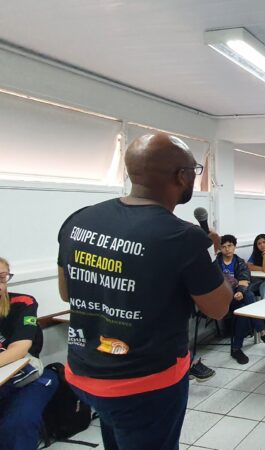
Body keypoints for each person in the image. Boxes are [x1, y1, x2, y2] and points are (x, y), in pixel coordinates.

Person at [56, 133, 231, 449]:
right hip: (144, 383)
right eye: (195, 170)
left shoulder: (78, 220)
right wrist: (210, 256)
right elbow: (218, 307)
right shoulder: (185, 237)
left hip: (83, 372)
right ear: (181, 176)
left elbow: (66, 293)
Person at [0, 257, 60, 450]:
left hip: (30, 377)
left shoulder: (23, 303)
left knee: (17, 424)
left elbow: (19, 348)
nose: (0, 285)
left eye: (2, 278)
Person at [215, 235, 265, 362]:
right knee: (249, 298)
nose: (227, 249)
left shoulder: (240, 262)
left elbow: (244, 280)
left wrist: (240, 291)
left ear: (234, 246)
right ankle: (263, 331)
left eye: (229, 246)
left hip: (238, 297)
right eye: (223, 247)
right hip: (222, 299)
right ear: (220, 249)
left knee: (244, 307)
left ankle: (236, 349)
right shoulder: (215, 265)